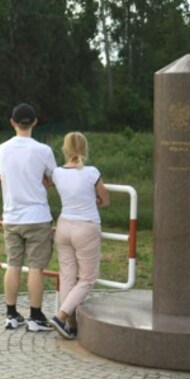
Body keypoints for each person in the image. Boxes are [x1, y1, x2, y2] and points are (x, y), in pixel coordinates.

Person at [0, 103, 57, 332]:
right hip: (37, 216)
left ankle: (11, 314)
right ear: (35, 122)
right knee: (36, 267)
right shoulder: (43, 150)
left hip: (11, 215)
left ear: (12, 122)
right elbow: (52, 177)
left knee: (13, 265)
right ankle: (36, 316)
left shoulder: (2, 149)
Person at [48, 132, 109, 339]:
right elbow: (105, 199)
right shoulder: (92, 172)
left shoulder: (57, 173)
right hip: (86, 227)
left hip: (64, 226)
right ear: (84, 148)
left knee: (67, 277)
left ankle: (72, 325)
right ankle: (61, 316)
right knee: (87, 279)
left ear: (65, 149)